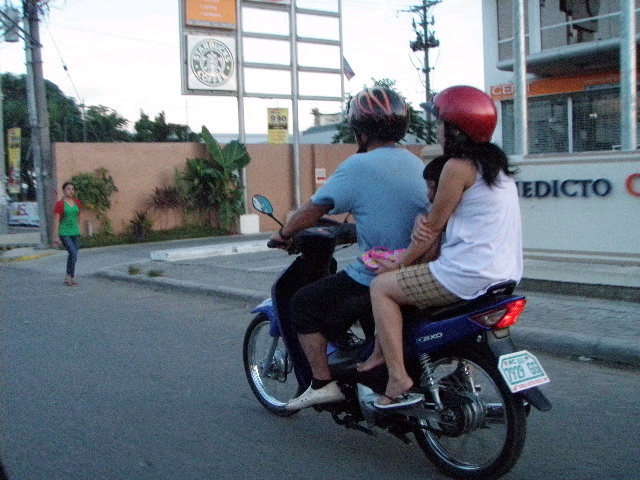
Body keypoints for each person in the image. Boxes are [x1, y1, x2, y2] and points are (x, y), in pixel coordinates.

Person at [361, 85, 523, 408]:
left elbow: (432, 228)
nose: (438, 129)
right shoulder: (497, 169)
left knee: (381, 287)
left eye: (441, 123)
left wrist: (399, 263)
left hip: (465, 274)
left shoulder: (457, 167)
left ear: (455, 128)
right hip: (504, 275)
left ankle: (397, 376)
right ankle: (459, 371)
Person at [268, 87, 429, 410]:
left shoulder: (359, 165)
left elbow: (313, 209)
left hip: (379, 273)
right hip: (419, 266)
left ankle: (322, 383)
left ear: (361, 130)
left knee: (304, 304)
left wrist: (284, 233)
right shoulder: (415, 162)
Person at [53, 182, 83, 286]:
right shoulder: (60, 204)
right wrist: (56, 235)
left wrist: (79, 228)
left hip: (75, 232)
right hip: (64, 232)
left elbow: (78, 216)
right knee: (73, 252)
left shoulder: (77, 202)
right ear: (64, 190)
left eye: (72, 189)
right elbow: (57, 220)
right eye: (68, 189)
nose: (71, 191)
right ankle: (68, 276)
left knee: (74, 255)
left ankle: (71, 277)